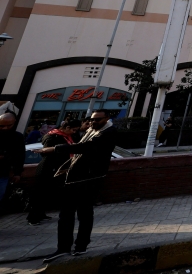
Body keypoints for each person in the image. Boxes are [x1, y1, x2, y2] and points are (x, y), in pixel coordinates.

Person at [37, 110, 117, 263]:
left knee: (83, 214)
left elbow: (86, 147)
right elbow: (80, 148)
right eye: (92, 120)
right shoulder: (92, 130)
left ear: (107, 119)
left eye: (98, 120)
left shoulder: (108, 133)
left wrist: (55, 149)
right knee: (68, 214)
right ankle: (64, 247)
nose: (93, 122)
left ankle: (80, 245)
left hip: (89, 178)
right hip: (76, 177)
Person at [27, 118, 81, 225]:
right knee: (40, 193)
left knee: (49, 193)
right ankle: (33, 217)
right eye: (73, 130)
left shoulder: (69, 136)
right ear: (67, 127)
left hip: (61, 167)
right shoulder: (52, 136)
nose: (74, 132)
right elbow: (47, 152)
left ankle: (42, 214)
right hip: (48, 167)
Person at [0, 112, 26, 204]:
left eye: (9, 125)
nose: (5, 128)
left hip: (3, 171)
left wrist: (17, 172)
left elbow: (20, 155)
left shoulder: (17, 137)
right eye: (2, 126)